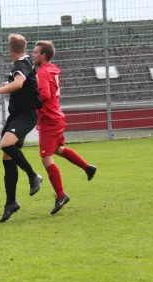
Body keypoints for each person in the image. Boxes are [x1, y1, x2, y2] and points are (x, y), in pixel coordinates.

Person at [32, 41, 97, 215]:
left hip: (49, 119)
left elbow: (44, 95)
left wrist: (31, 101)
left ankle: (61, 195)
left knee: (46, 158)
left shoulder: (43, 72)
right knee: (59, 150)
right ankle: (87, 167)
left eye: (36, 52)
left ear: (43, 55)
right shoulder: (53, 69)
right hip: (57, 116)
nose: (33, 55)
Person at [0, 34, 43, 222]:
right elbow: (20, 85)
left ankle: (33, 176)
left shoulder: (21, 64)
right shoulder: (24, 64)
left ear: (11, 50)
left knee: (6, 144)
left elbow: (19, 83)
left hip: (25, 115)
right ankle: (11, 203)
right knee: (7, 155)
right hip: (16, 115)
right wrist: (7, 85)